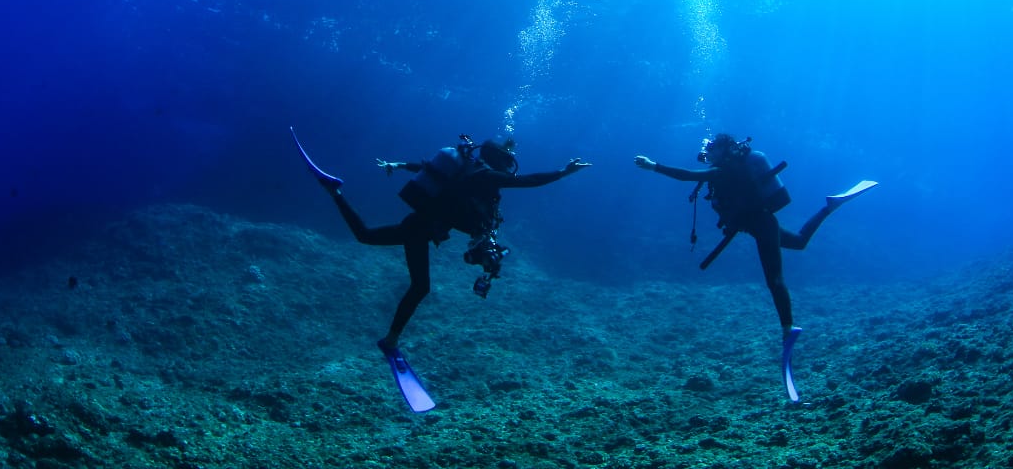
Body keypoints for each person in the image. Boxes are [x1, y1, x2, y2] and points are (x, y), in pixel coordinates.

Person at [314, 134, 590, 356]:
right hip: (419, 229)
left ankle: (334, 191)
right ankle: (390, 341)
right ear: (499, 160)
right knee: (419, 286)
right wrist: (563, 172)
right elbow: (529, 181)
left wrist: (397, 165)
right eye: (507, 162)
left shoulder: (469, 170)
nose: (509, 167)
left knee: (365, 236)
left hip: (419, 226)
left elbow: (427, 169)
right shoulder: (486, 176)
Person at [634, 133, 851, 343]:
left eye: (713, 148)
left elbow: (687, 175)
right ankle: (829, 207)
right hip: (759, 225)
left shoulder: (723, 171)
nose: (709, 152)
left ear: (724, 149)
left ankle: (788, 328)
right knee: (799, 242)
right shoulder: (729, 169)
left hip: (763, 225)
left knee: (774, 280)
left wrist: (653, 166)